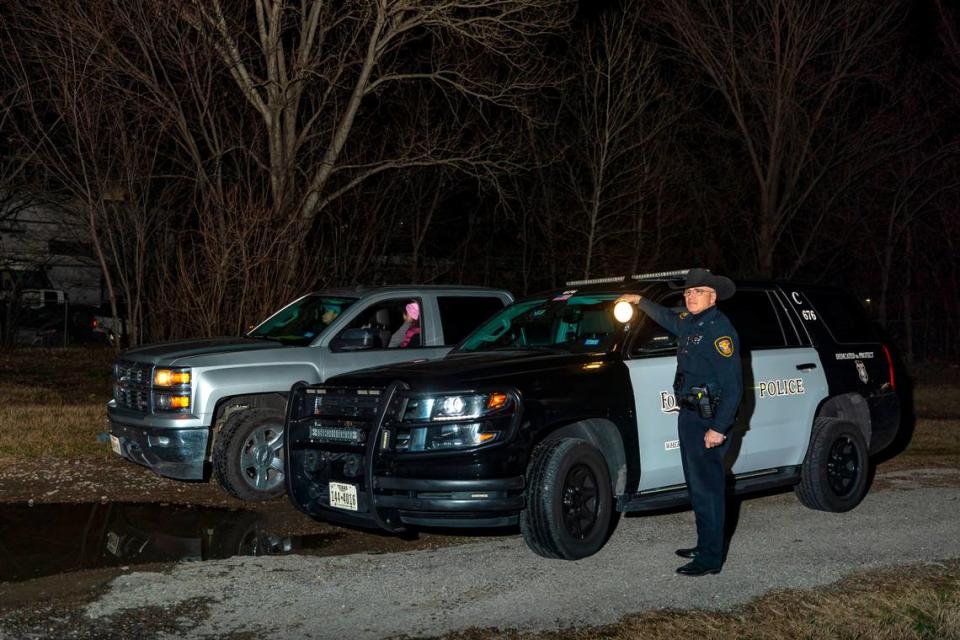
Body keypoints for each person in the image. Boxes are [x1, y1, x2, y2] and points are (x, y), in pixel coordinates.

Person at [618, 268, 742, 576]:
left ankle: (711, 559)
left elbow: (734, 386)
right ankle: (705, 544)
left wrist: (718, 428)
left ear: (712, 296)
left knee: (709, 489)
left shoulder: (719, 331)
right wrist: (640, 301)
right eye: (687, 293)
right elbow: (667, 317)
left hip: (708, 420)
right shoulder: (690, 323)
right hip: (689, 415)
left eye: (697, 292)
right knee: (697, 486)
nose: (690, 296)